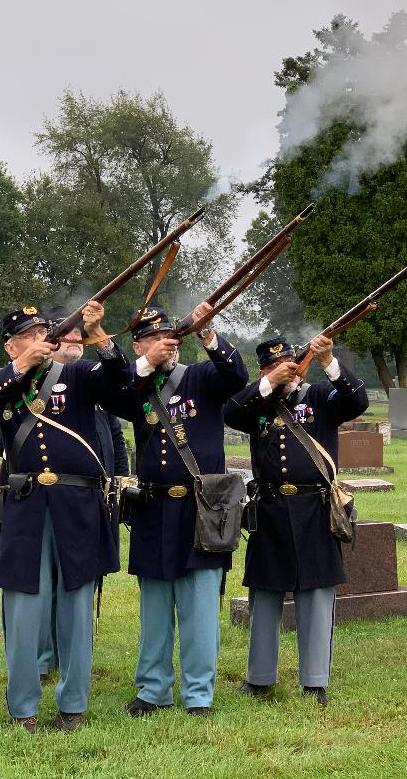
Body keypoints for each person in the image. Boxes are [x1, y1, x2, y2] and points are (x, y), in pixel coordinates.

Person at [0, 301, 131, 732]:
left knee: (77, 608)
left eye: (45, 331)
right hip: (24, 508)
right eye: (30, 333)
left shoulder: (77, 375)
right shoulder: (8, 382)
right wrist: (22, 365)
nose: (42, 337)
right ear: (12, 345)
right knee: (24, 610)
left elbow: (120, 380)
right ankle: (22, 707)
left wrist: (99, 335)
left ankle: (72, 706)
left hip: (76, 507)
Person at [114, 305, 248, 717]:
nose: (163, 345)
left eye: (167, 337)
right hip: (153, 509)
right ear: (138, 346)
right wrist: (142, 366)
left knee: (199, 611)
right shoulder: (133, 386)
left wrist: (208, 334)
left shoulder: (199, 377)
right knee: (155, 611)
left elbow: (235, 377)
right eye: (152, 339)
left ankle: (198, 694)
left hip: (199, 509)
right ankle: (153, 689)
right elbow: (114, 394)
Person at [223, 334, 368, 706]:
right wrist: (269, 384)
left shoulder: (321, 397)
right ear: (263, 371)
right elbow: (230, 413)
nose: (283, 369)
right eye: (273, 366)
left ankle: (315, 680)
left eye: (288, 361)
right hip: (270, 508)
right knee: (265, 593)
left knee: (317, 594)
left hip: (315, 509)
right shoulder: (258, 403)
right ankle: (259, 677)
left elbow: (357, 400)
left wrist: (328, 360)